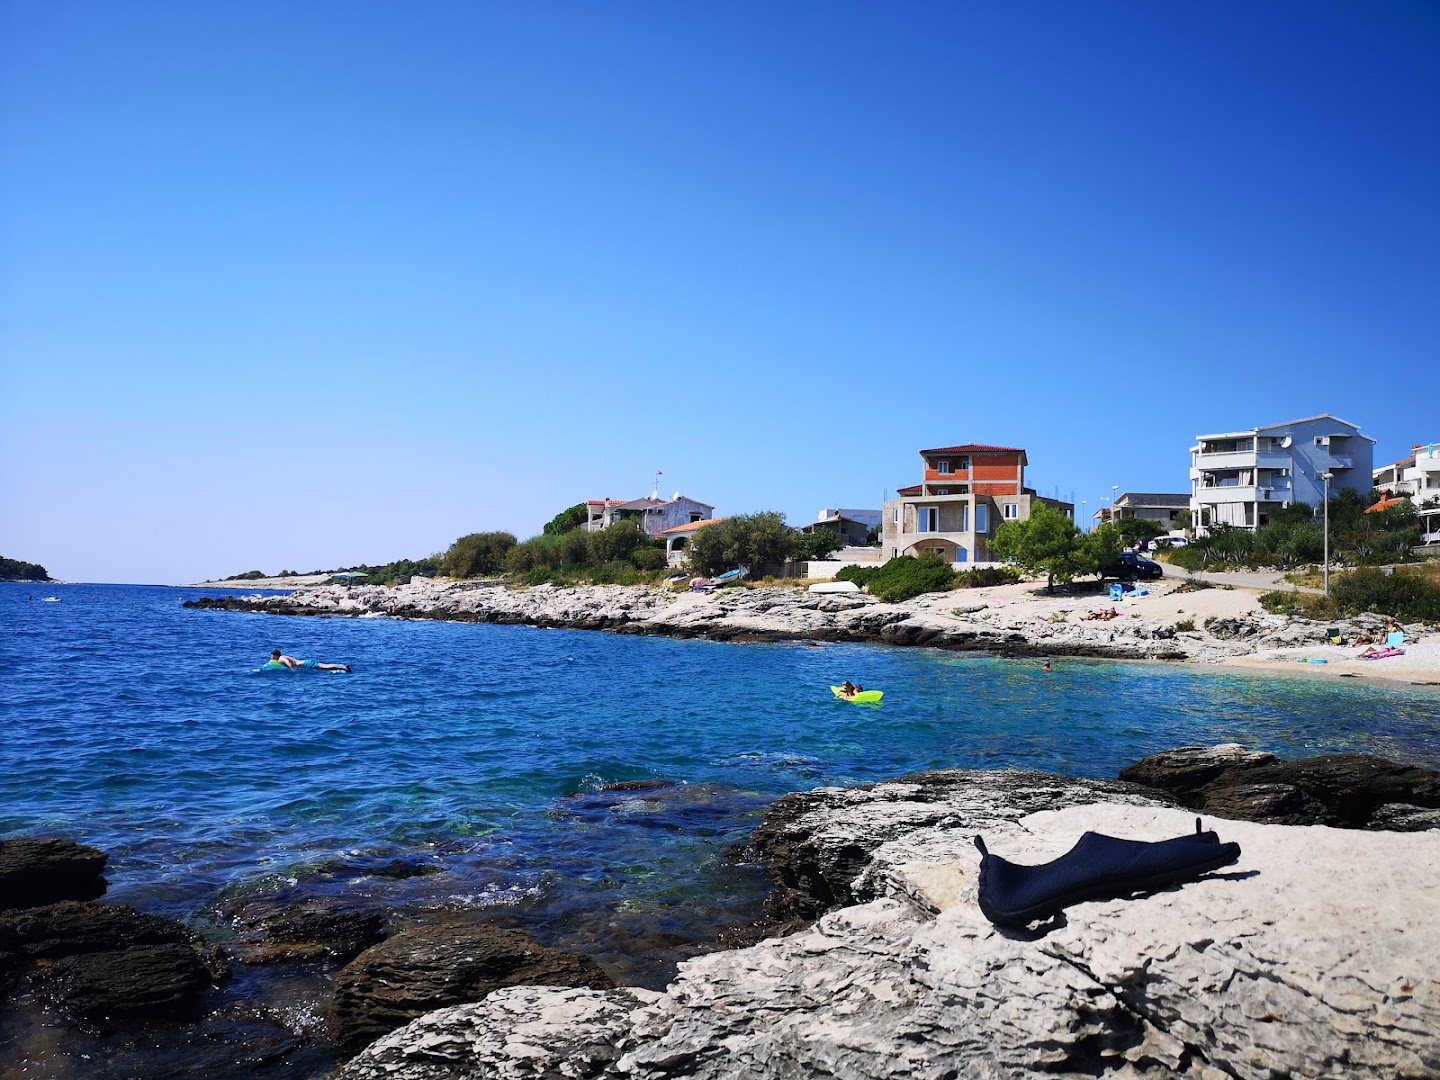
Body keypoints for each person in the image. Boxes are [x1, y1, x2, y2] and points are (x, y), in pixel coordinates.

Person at [269, 650, 350, 672]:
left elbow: (287, 662)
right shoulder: (281, 658)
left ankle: (343, 667)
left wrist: (291, 670)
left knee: (325, 667)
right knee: (325, 668)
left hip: (306, 664)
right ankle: (342, 668)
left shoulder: (281, 658)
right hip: (306, 663)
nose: (271, 657)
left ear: (276, 655)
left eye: (272, 655)